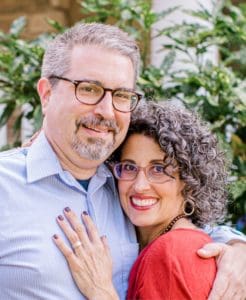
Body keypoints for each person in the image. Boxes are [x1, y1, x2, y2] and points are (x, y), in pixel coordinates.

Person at [0, 22, 245, 300]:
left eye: (120, 95)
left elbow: (185, 228)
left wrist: (238, 248)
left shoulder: (124, 186)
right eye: (89, 89)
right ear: (47, 94)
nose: (106, 111)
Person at [52, 101, 244, 299]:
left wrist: (101, 292)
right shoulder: (173, 242)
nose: (139, 185)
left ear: (188, 181)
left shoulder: (171, 252)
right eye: (129, 167)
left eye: (159, 169)